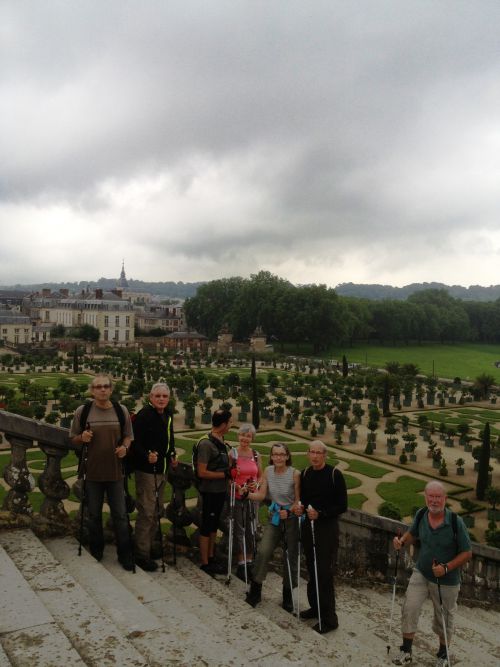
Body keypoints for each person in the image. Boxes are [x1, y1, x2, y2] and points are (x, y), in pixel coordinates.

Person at [391, 481, 472, 667]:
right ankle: (406, 651)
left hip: (447, 580)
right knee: (409, 608)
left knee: (444, 617)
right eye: (431, 496)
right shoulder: (421, 514)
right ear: (425, 497)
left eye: (438, 496)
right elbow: (412, 534)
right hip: (422, 572)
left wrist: (446, 568)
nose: (434, 500)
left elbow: (467, 552)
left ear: (445, 499)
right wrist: (402, 542)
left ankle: (443, 655)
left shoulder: (455, 522)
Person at [70, 374, 135, 571]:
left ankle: (125, 554)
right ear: (92, 391)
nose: (103, 390)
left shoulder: (120, 410)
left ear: (111, 390)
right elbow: (73, 438)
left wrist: (125, 448)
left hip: (116, 472)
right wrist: (83, 437)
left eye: (106, 386)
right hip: (92, 472)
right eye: (98, 387)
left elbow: (128, 436)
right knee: (94, 515)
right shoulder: (84, 411)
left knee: (121, 515)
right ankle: (97, 551)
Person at [297, 440, 347, 634]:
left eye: (319, 452)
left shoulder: (335, 475)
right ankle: (316, 607)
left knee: (324, 573)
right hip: (309, 527)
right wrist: (301, 507)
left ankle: (329, 619)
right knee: (311, 568)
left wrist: (321, 513)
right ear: (308, 454)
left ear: (325, 455)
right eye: (312, 452)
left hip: (326, 528)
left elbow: (342, 505)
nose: (315, 456)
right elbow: (304, 499)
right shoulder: (306, 473)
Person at [245, 442, 300, 612]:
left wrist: (289, 511)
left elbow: (298, 501)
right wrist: (245, 493)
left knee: (290, 557)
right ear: (271, 457)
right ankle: (256, 590)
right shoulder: (268, 471)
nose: (278, 457)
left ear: (287, 456)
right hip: (275, 518)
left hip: (291, 520)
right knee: (263, 551)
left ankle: (287, 595)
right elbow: (262, 495)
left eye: (281, 454)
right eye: (275, 454)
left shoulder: (295, 474)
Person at [131, 382, 177, 571]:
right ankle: (141, 554)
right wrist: (146, 456)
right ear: (150, 397)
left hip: (162, 469)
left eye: (164, 396)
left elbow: (169, 437)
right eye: (157, 396)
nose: (161, 399)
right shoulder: (144, 416)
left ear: (168, 398)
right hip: (147, 472)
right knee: (147, 513)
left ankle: (149, 547)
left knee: (157, 511)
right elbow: (134, 443)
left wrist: (172, 453)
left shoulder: (166, 414)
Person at [196, 409, 232, 575]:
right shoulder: (206, 444)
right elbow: (201, 472)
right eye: (230, 422)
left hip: (219, 491)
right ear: (223, 424)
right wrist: (224, 474)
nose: (231, 425)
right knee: (207, 525)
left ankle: (211, 557)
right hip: (209, 491)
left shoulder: (220, 439)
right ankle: (204, 563)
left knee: (213, 526)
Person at [229, 423, 262, 581]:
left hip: (252, 497)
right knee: (239, 529)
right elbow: (227, 476)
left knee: (251, 529)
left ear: (252, 438)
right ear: (238, 436)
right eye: (243, 435)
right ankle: (241, 562)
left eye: (248, 436)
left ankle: (249, 561)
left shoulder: (256, 454)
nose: (245, 438)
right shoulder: (232, 454)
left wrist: (256, 484)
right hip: (237, 497)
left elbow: (260, 476)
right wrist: (236, 487)